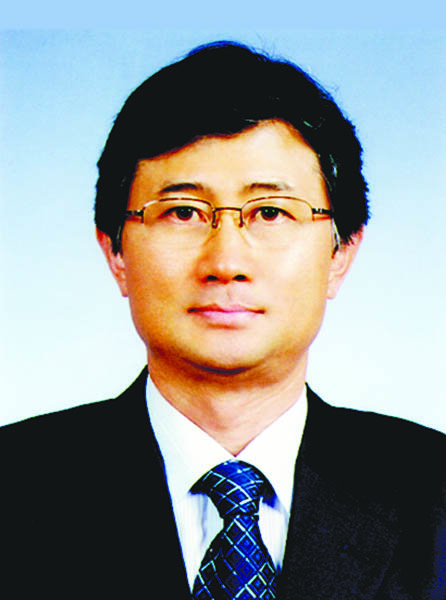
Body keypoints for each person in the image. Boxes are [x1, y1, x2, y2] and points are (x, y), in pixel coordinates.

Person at [2, 41, 445, 599]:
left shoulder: (434, 497)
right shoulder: (14, 491)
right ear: (115, 253)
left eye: (271, 213)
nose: (226, 261)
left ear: (341, 253)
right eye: (183, 212)